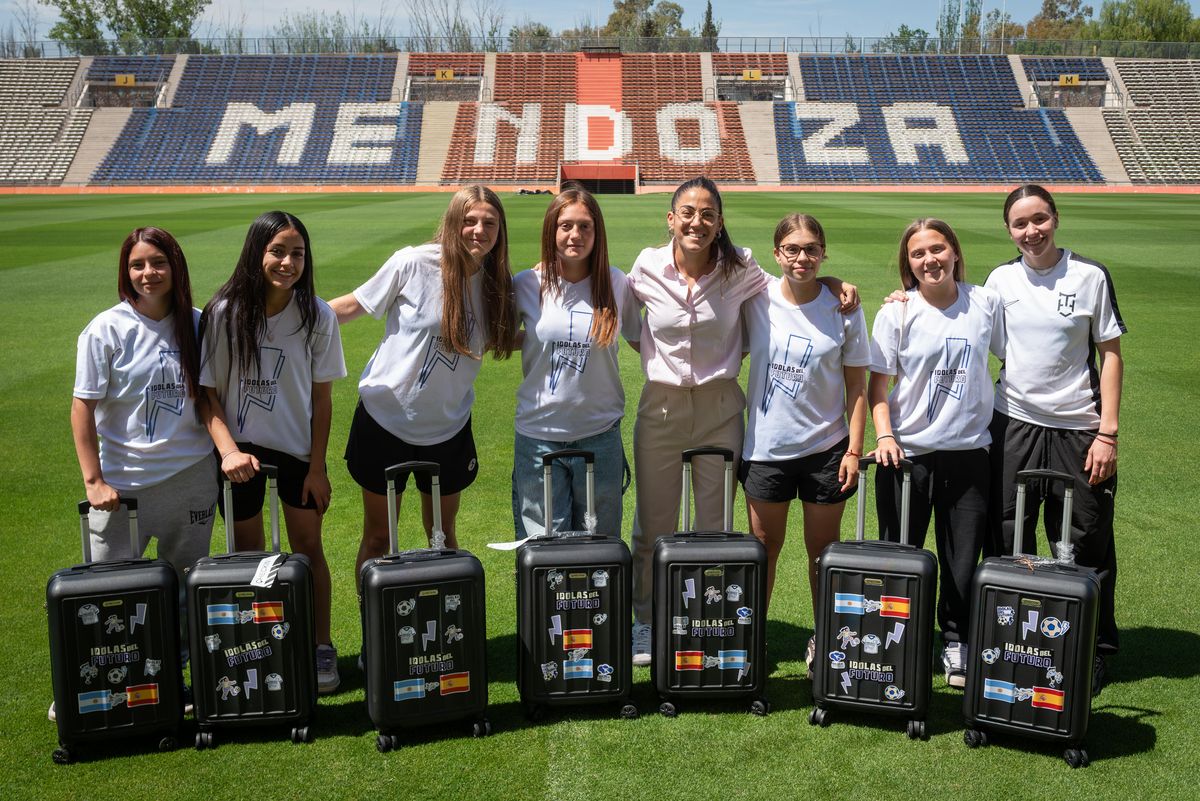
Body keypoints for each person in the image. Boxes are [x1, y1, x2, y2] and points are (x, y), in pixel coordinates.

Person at [625, 176, 858, 666]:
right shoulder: (646, 265)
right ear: (671, 218)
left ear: (720, 222)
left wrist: (834, 284)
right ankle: (645, 620)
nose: (697, 222)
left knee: (716, 527)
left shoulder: (741, 268)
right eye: (688, 212)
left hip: (720, 407)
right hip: (661, 405)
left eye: (708, 214)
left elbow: (796, 285)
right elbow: (630, 326)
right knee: (653, 523)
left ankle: (702, 618)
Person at [329, 185, 516, 593]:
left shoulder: (497, 286)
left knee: (443, 537)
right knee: (379, 538)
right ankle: (375, 633)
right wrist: (287, 320)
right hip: (384, 421)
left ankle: (447, 634)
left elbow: (506, 339)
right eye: (469, 220)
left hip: (448, 429)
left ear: (500, 229)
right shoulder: (412, 263)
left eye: (489, 222)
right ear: (453, 222)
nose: (478, 230)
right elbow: (353, 306)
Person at [65, 227, 217, 720]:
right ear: (125, 271)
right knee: (107, 592)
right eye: (137, 265)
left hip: (191, 478)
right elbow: (82, 409)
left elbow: (208, 400)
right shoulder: (105, 329)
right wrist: (94, 481)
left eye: (158, 263)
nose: (148, 273)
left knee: (184, 587)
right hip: (121, 487)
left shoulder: (197, 324)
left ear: (176, 267)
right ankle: (91, 680)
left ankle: (178, 679)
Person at [200, 211, 347, 694]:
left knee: (308, 551)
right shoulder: (224, 312)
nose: (287, 262)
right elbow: (209, 394)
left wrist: (318, 467)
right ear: (256, 253)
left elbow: (322, 399)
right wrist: (227, 453)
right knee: (249, 556)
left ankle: (321, 646)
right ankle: (261, 645)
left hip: (297, 453)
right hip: (240, 456)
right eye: (277, 251)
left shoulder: (317, 315)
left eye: (297, 254)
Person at [987, 184, 1125, 695]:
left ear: (1056, 218)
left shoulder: (1089, 276)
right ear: (1009, 230)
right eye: (1021, 223)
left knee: (1084, 539)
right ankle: (1008, 638)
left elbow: (1110, 354)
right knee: (1009, 535)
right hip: (1014, 422)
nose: (1032, 231)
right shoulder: (1000, 279)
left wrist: (1106, 432)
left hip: (1079, 427)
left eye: (1040, 219)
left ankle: (1088, 647)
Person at [869, 218, 1005, 689]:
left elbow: (1009, 355)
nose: (930, 260)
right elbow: (878, 386)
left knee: (961, 559)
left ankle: (956, 639)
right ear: (908, 264)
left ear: (954, 251)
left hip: (969, 454)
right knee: (901, 553)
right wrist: (885, 437)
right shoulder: (897, 313)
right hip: (906, 457)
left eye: (937, 249)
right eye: (918, 253)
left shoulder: (985, 302)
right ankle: (902, 638)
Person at [740, 214, 869, 679]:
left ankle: (826, 636)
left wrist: (854, 449)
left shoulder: (843, 308)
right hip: (766, 448)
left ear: (823, 252)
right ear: (776, 254)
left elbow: (858, 385)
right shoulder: (755, 298)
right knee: (763, 548)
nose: (802, 257)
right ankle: (752, 635)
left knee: (823, 553)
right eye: (792, 249)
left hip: (826, 449)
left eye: (812, 249)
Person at [511, 187, 640, 539]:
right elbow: (499, 338)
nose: (575, 235)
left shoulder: (616, 283)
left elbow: (640, 339)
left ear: (597, 233)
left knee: (601, 546)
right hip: (539, 436)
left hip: (599, 435)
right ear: (551, 229)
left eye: (585, 226)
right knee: (543, 552)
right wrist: (539, 342)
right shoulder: (526, 284)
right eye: (566, 225)